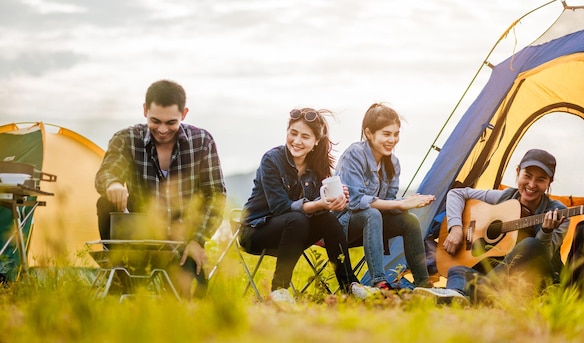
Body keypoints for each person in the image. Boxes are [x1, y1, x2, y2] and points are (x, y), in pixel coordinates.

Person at [95, 79, 227, 299]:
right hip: (138, 238)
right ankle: (121, 274)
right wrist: (113, 184)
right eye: (155, 120)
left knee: (188, 298)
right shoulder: (126, 139)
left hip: (182, 240)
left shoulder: (202, 141)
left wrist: (197, 239)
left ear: (184, 114)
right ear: (145, 110)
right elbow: (106, 173)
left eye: (171, 122)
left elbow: (216, 196)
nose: (163, 130)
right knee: (104, 202)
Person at [239, 107, 377, 303]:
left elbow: (318, 209)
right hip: (256, 231)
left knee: (327, 219)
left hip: (293, 233)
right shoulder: (272, 160)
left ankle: (350, 286)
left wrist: (336, 200)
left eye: (305, 136)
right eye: (293, 133)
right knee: (297, 218)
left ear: (316, 142)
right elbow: (281, 208)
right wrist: (321, 203)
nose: (297, 141)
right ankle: (279, 290)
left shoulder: (316, 167)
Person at [414, 149, 569, 305]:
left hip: (532, 280)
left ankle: (470, 293)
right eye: (527, 176)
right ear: (517, 172)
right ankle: (458, 296)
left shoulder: (558, 212)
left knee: (531, 244)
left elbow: (544, 258)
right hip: (499, 278)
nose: (532, 185)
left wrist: (546, 231)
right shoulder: (505, 197)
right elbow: (456, 194)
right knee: (457, 270)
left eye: (541, 180)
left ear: (550, 182)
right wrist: (456, 228)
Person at [335, 103, 436, 290]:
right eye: (386, 134)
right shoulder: (354, 154)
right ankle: (380, 282)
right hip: (342, 224)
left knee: (410, 220)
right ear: (369, 133)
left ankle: (424, 285)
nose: (393, 139)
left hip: (372, 225)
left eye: (396, 134)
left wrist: (407, 203)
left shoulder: (393, 163)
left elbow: (388, 203)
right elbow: (356, 202)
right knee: (372, 214)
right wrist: (402, 203)